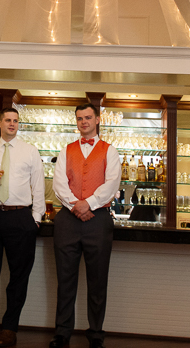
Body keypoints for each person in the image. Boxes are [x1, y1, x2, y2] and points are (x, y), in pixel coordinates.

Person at [49, 103, 121, 348]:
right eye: (80, 118)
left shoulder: (109, 151)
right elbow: (59, 184)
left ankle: (96, 333)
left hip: (98, 220)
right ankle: (62, 332)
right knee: (65, 278)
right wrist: (75, 207)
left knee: (98, 280)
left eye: (88, 117)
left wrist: (88, 204)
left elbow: (112, 184)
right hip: (68, 220)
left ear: (98, 119)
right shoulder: (66, 150)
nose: (83, 122)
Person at [0, 107, 45, 348]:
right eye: (8, 120)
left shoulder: (30, 151)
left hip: (20, 217)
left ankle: (9, 328)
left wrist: (35, 219)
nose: (12, 124)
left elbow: (39, 186)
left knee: (18, 277)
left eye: (15, 121)